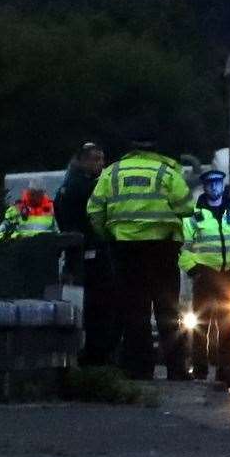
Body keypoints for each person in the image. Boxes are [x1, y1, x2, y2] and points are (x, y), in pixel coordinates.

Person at [87, 123, 195, 380]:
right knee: (167, 310)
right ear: (156, 146)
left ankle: (138, 368)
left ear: (130, 147)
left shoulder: (112, 173)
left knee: (134, 310)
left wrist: (109, 235)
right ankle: (176, 369)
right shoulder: (167, 173)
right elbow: (186, 207)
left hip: (125, 250)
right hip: (162, 249)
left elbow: (94, 211)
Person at [179, 170, 230, 386]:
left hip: (229, 276)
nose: (214, 187)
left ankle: (225, 370)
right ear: (204, 187)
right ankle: (200, 369)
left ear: (224, 185)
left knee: (227, 325)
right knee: (200, 325)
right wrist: (194, 270)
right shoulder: (193, 215)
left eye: (218, 183)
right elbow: (184, 248)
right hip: (204, 275)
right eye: (210, 184)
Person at [55, 142, 114, 366]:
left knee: (88, 306)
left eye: (102, 159)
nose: (101, 164)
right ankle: (96, 358)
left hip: (77, 255)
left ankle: (91, 356)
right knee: (97, 307)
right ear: (82, 160)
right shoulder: (82, 187)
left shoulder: (70, 184)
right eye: (96, 159)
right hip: (88, 255)